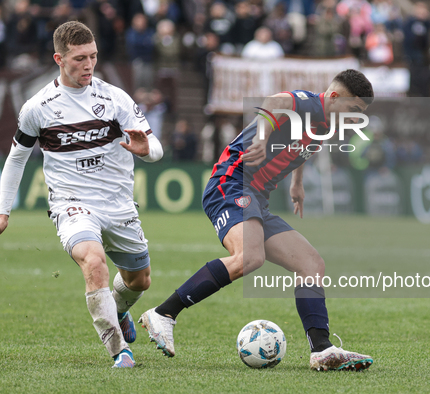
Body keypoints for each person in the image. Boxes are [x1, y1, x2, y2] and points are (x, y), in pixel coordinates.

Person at [138, 69, 375, 371]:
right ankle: (164, 313)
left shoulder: (326, 124)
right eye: (354, 110)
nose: (354, 119)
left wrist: (296, 183)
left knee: (311, 264)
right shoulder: (305, 103)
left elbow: (303, 149)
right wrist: (262, 137)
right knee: (249, 257)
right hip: (232, 183)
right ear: (334, 97)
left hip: (256, 198)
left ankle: (321, 349)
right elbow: (275, 102)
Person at [0, 21, 164, 368]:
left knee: (140, 280)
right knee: (94, 263)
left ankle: (119, 308)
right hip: (72, 204)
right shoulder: (38, 107)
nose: (89, 65)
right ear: (59, 59)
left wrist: (146, 150)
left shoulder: (114, 97)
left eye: (93, 56)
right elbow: (16, 159)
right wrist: (3, 213)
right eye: (80, 58)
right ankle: (119, 350)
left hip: (119, 203)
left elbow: (155, 147)